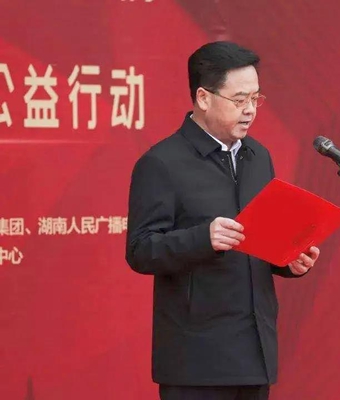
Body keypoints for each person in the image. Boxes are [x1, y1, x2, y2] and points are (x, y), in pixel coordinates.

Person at [125, 41, 320, 400]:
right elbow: (140, 250)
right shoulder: (162, 163)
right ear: (203, 97)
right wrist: (204, 238)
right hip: (196, 359)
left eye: (256, 99)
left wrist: (289, 261)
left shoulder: (258, 157)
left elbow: (261, 239)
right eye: (239, 99)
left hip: (254, 350)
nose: (250, 110)